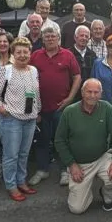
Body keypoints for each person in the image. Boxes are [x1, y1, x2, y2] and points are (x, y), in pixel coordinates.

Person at [54, 78, 112, 214]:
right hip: (79, 164)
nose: (93, 96)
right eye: (89, 92)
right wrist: (71, 164)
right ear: (82, 92)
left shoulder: (106, 108)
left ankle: (106, 196)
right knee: (77, 209)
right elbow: (59, 141)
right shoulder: (69, 111)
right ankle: (84, 189)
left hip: (101, 157)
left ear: (101, 94)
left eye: (96, 92)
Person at [28, 26, 82, 186]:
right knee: (42, 140)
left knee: (62, 140)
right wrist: (33, 108)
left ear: (58, 38)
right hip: (41, 108)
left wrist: (70, 98)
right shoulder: (35, 56)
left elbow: (77, 76)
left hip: (62, 107)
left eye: (53, 36)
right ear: (43, 39)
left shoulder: (67, 54)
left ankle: (64, 170)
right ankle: (42, 170)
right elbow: (28, 80)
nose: (50, 39)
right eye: (47, 36)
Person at [0, 37, 41, 201]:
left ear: (30, 53)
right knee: (11, 155)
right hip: (11, 119)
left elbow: (36, 93)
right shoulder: (5, 70)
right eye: (18, 52)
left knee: (24, 153)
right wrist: (1, 109)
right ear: (13, 53)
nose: (22, 55)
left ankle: (21, 181)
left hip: (30, 118)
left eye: (25, 52)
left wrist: (37, 110)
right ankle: (11, 185)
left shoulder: (33, 70)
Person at [70, 25, 96, 99]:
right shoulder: (68, 54)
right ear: (75, 37)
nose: (84, 38)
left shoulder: (93, 55)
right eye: (81, 35)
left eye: (86, 36)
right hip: (72, 94)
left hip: (89, 94)